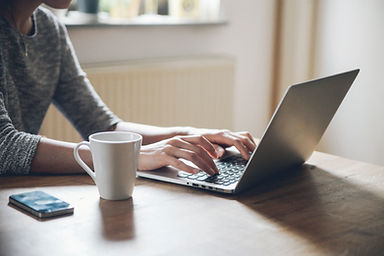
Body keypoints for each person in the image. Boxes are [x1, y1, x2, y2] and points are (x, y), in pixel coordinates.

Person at [0, 0, 255, 176]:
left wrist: (190, 134)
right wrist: (128, 156)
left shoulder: (49, 29)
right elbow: (5, 146)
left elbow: (101, 125)